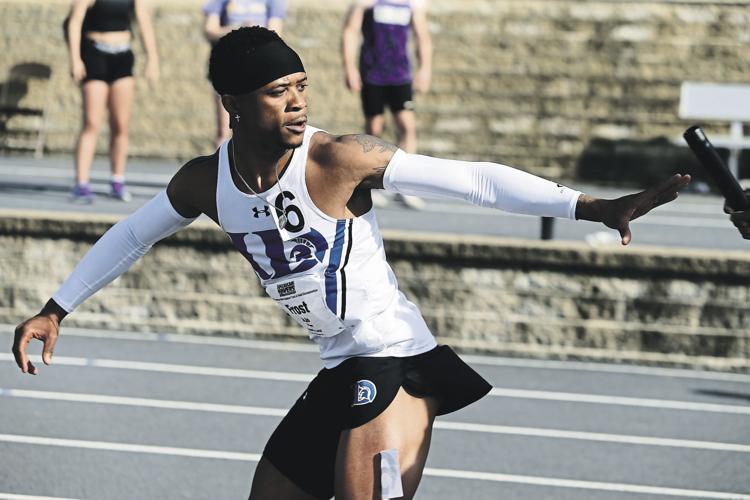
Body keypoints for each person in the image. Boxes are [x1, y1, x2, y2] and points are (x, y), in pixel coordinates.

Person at [13, 27, 691, 500]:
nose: (298, 101)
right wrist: (55, 307)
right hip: (338, 367)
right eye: (279, 91)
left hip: (394, 362)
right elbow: (132, 235)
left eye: (302, 85)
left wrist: (595, 207)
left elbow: (473, 179)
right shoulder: (205, 183)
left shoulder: (337, 158)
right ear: (234, 107)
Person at [66, 0, 159, 203]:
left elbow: (144, 22)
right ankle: (81, 183)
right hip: (94, 55)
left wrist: (152, 59)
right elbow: (74, 22)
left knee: (120, 125)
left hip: (122, 56)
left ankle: (117, 180)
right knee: (91, 123)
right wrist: (75, 59)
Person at [342, 0, 432, 209]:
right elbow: (350, 30)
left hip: (400, 75)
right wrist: (350, 68)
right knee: (374, 129)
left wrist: (424, 69)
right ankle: (371, 184)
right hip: (372, 74)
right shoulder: (367, 3)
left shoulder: (411, 4)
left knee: (407, 126)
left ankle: (404, 186)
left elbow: (422, 37)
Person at [202, 0, 287, 148]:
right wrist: (237, 30)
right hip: (228, 67)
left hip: (259, 71)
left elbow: (275, 33)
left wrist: (252, 32)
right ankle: (224, 169)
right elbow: (210, 29)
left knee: (260, 127)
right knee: (225, 130)